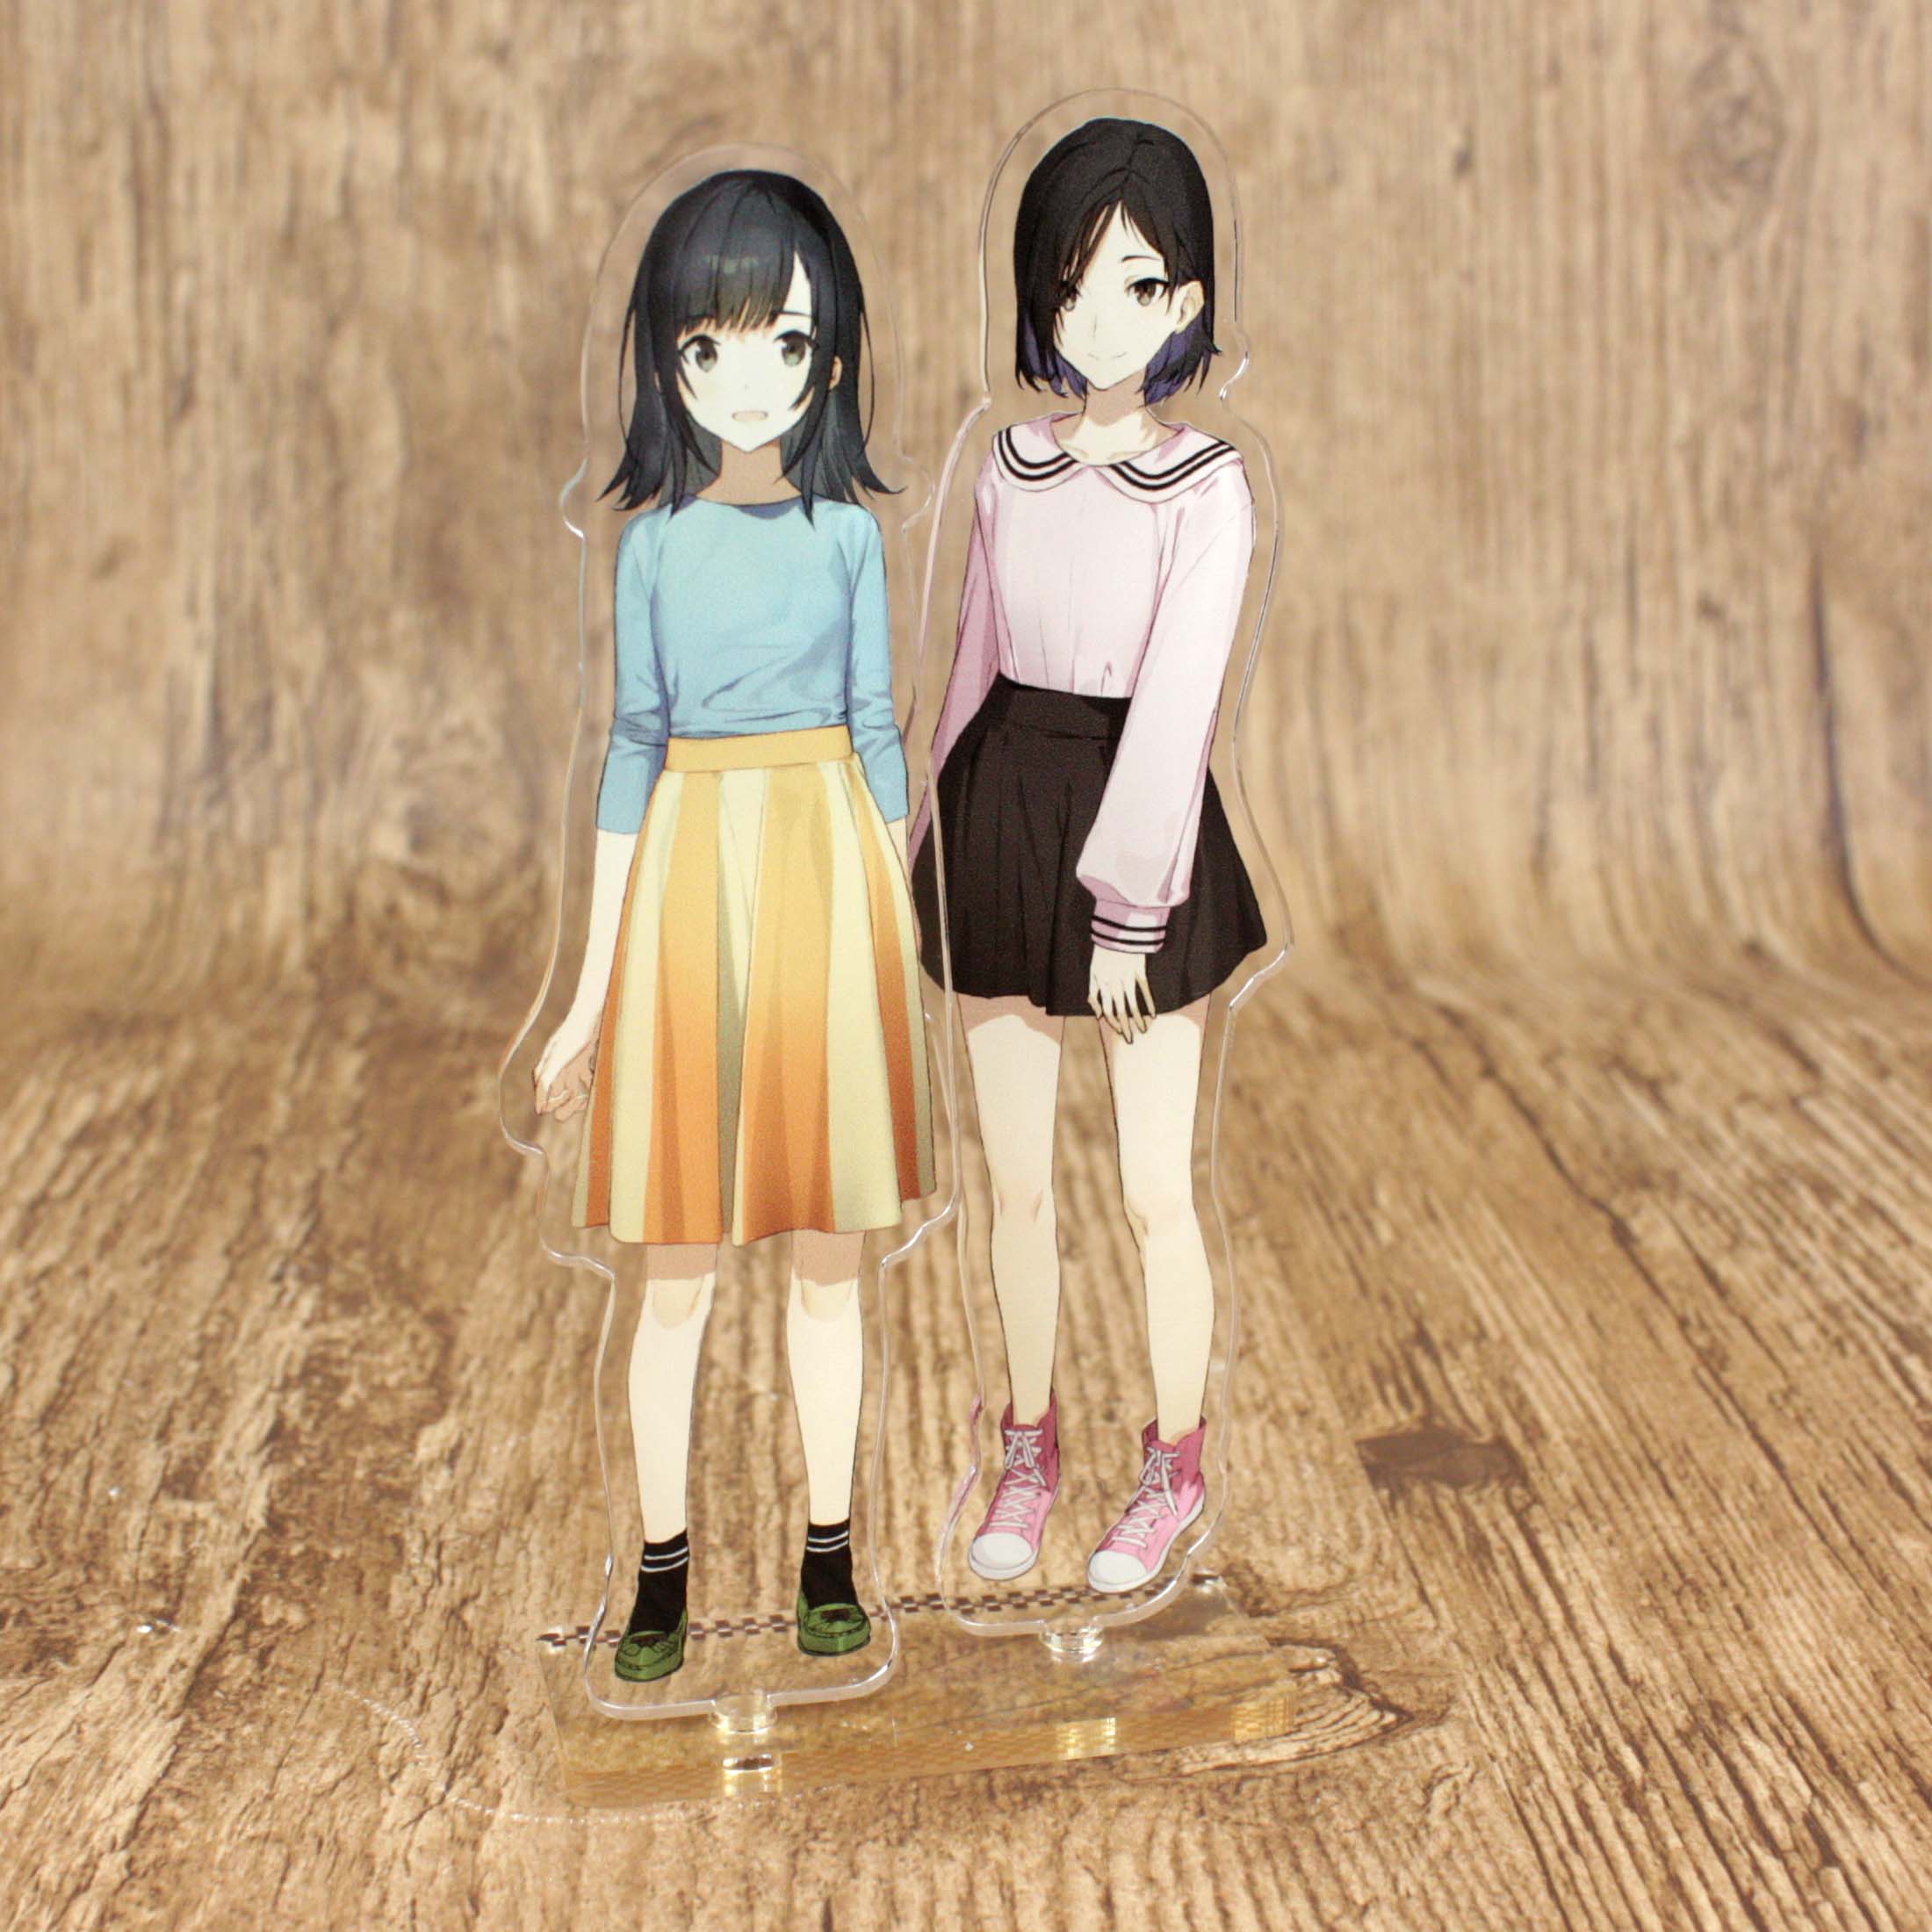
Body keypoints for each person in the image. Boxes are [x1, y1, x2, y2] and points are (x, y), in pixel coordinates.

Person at [536, 169, 933, 1681]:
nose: (749, 378)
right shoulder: (649, 549)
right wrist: (588, 997)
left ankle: (832, 1554)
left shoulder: (846, 540)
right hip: (690, 885)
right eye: (710, 346)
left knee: (832, 1264)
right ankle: (662, 1574)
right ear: (667, 361)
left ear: (830, 359)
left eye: (786, 341)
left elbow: (879, 734)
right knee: (675, 1273)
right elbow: (631, 749)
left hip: (833, 878)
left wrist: (899, 932)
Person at [911, 119, 1265, 1596]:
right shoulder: (1008, 465)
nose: (1099, 320)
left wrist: (1129, 913)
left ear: (1188, 299)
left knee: (1151, 1188)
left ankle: (1174, 1464)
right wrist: (916, 835)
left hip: (1142, 833)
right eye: (1070, 288)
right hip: (1002, 810)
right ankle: (1027, 1443)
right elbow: (971, 661)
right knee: (1014, 1185)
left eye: (1135, 286)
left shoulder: (1210, 487)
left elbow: (1178, 707)